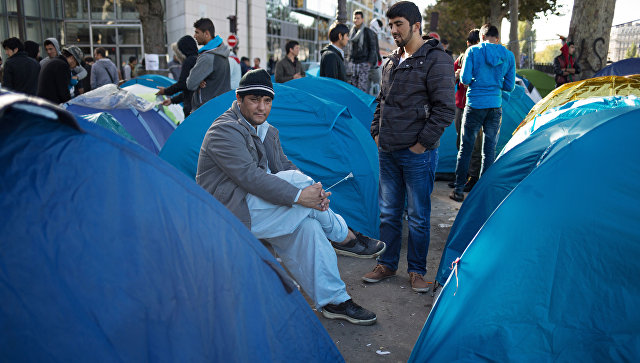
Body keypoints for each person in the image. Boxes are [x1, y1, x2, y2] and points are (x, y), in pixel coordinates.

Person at [196, 68, 385, 325]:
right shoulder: (224, 131)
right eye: (254, 100)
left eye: (267, 101)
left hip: (258, 208)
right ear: (239, 99)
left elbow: (284, 166)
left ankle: (335, 301)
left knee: (309, 228)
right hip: (229, 213)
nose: (261, 107)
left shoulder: (266, 131)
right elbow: (251, 178)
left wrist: (313, 196)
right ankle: (345, 236)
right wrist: (300, 196)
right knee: (298, 189)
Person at [364, 1, 455, 292]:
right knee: (389, 214)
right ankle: (387, 265)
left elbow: (445, 110)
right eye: (390, 25)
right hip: (387, 151)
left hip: (418, 155)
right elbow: (381, 100)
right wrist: (375, 132)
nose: (393, 30)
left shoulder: (435, 59)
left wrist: (421, 146)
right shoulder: (391, 60)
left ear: (416, 25)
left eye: (398, 24)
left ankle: (416, 271)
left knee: (417, 216)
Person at [450, 24, 515, 202]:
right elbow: (509, 86)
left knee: (466, 149)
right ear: (497, 38)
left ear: (481, 37)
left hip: (474, 105)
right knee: (489, 151)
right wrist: (495, 83)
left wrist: (477, 82)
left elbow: (463, 79)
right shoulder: (508, 55)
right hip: (495, 106)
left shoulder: (472, 51)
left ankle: (458, 190)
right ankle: (483, 193)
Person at [448, 28, 482, 192]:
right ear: (468, 44)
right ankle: (461, 175)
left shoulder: (482, 59)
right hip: (460, 106)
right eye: (473, 44)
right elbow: (449, 79)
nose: (475, 48)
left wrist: (467, 77)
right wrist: (456, 75)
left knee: (475, 144)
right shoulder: (461, 59)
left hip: (476, 107)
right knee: (460, 142)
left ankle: (473, 177)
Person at [186, 18, 231, 111]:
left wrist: (197, 81)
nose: (194, 36)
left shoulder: (207, 57)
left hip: (207, 110)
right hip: (221, 107)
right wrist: (198, 81)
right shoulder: (222, 52)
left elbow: (190, 84)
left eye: (197, 32)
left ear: (206, 34)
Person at [157, 35, 199, 117]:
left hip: (191, 107)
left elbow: (183, 84)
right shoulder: (199, 59)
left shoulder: (189, 61)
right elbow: (189, 90)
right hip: (199, 105)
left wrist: (165, 91)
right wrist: (172, 100)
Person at [348, 10, 378, 92]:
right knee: (353, 87)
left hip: (364, 63)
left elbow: (373, 48)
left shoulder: (367, 31)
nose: (356, 20)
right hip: (354, 63)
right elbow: (350, 48)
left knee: (362, 87)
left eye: (358, 18)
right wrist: (350, 60)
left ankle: (362, 104)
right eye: (355, 18)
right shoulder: (352, 32)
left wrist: (369, 63)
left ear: (362, 19)